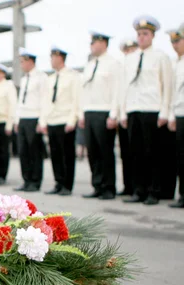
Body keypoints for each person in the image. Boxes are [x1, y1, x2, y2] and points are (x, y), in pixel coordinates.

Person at [121, 16, 174, 205]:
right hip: (134, 108)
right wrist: (123, 111)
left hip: (152, 109)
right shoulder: (130, 59)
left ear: (152, 36)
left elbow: (167, 86)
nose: (141, 37)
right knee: (135, 152)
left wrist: (165, 112)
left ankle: (154, 191)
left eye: (145, 34)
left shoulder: (160, 57)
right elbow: (125, 86)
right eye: (139, 34)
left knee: (153, 153)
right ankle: (138, 189)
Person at [79, 32, 122, 200]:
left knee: (105, 152)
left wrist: (113, 114)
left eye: (94, 42)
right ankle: (97, 185)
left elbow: (117, 91)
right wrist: (83, 112)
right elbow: (85, 91)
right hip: (90, 111)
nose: (92, 45)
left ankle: (108, 187)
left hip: (104, 112)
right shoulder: (90, 65)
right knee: (93, 152)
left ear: (104, 43)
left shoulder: (113, 64)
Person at [39, 46, 81, 196]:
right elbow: (45, 102)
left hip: (65, 120)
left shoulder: (72, 77)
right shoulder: (50, 79)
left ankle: (67, 185)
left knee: (67, 154)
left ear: (60, 58)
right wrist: (43, 121)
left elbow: (76, 99)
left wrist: (72, 120)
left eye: (53, 57)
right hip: (52, 120)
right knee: (55, 154)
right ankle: (58, 182)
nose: (51, 60)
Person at [14, 48, 49, 192]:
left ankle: (35, 181)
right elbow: (20, 102)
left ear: (30, 61)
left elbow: (44, 100)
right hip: (23, 118)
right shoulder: (24, 79)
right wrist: (17, 119)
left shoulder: (41, 77)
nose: (21, 65)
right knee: (23, 151)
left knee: (34, 151)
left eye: (23, 62)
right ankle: (26, 180)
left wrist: (42, 121)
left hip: (34, 118)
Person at [117, 39, 139, 196]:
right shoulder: (122, 68)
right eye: (127, 50)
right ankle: (128, 186)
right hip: (122, 115)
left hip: (134, 113)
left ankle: (138, 186)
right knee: (125, 153)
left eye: (132, 49)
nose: (129, 52)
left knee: (136, 152)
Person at [167, 23, 184, 208]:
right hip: (180, 114)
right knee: (181, 157)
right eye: (173, 41)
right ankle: (183, 195)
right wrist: (172, 115)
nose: (174, 44)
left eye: (178, 40)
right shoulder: (176, 64)